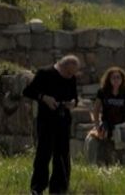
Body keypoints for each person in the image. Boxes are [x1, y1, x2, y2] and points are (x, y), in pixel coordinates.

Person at [22, 55, 81, 195]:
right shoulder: (45, 73)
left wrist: (72, 103)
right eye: (68, 73)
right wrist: (45, 98)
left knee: (62, 156)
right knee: (44, 154)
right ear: (62, 66)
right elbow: (28, 91)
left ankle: (59, 188)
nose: (70, 76)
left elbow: (75, 97)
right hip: (46, 120)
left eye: (72, 74)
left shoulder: (71, 78)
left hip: (63, 119)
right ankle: (38, 188)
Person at [85, 66, 125, 166]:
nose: (116, 80)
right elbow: (96, 109)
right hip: (106, 126)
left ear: (122, 79)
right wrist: (97, 126)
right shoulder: (103, 92)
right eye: (113, 77)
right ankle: (92, 165)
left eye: (118, 77)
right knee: (91, 140)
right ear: (109, 79)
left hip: (122, 126)